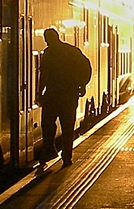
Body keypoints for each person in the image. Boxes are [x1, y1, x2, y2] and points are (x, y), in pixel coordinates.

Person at [37, 27, 92, 168]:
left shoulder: (49, 53)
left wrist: (39, 92)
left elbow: (44, 74)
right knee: (68, 127)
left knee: (47, 124)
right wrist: (82, 85)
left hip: (52, 95)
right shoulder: (73, 51)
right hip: (70, 95)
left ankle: (49, 151)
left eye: (46, 39)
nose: (46, 42)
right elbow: (86, 67)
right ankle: (67, 157)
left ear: (49, 39)